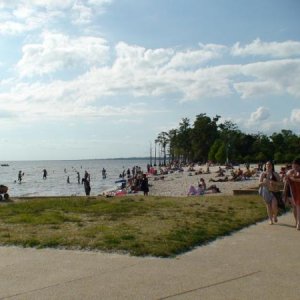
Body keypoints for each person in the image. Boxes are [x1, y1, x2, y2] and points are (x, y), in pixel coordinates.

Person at [283, 158, 300, 230]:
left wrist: (293, 179)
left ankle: (298, 223)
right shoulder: (290, 171)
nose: (295, 167)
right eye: (294, 166)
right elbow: (285, 179)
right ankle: (297, 222)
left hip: (298, 191)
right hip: (293, 192)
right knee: (295, 208)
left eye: (297, 166)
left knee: (298, 207)